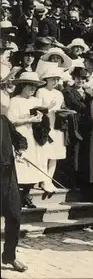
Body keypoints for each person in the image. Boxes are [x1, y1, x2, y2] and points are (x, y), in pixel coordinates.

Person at [7, 72, 47, 208]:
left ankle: (26, 196)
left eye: (35, 86)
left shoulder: (36, 101)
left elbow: (42, 119)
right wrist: (28, 119)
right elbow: (11, 121)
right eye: (30, 85)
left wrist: (40, 119)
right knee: (21, 166)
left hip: (34, 136)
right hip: (21, 136)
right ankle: (16, 197)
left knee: (33, 166)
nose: (33, 89)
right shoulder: (15, 101)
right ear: (23, 85)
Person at [1, 88, 28, 273]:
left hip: (8, 177)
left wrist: (20, 149)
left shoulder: (3, 120)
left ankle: (10, 256)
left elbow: (20, 138)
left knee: (14, 216)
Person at [36, 65, 65, 195]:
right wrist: (49, 107)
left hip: (57, 126)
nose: (55, 82)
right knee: (44, 153)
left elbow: (60, 108)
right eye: (52, 79)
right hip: (45, 126)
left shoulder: (59, 94)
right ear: (46, 79)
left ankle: (49, 179)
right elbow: (37, 109)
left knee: (55, 155)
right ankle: (43, 180)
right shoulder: (41, 92)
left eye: (57, 79)